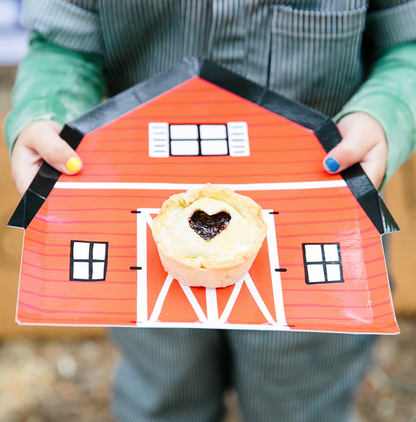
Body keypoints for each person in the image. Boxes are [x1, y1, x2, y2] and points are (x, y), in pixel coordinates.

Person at [4, 1, 416, 421]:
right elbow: (63, 47)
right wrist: (46, 111)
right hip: (139, 232)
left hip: (321, 220)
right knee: (165, 386)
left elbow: (407, 45)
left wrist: (385, 113)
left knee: (300, 398)